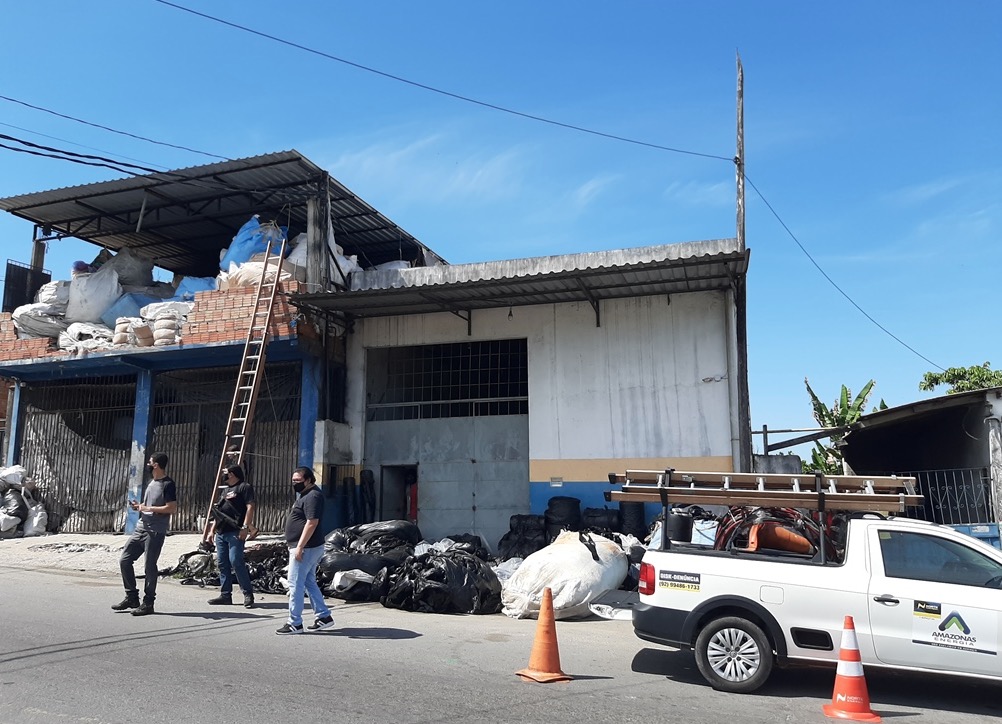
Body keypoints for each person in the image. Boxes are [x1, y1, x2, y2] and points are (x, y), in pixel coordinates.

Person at [112, 452, 177, 616]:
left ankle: (148, 603)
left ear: (155, 465)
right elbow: (149, 505)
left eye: (150, 462)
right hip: (141, 527)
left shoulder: (168, 484)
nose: (148, 464)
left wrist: (148, 509)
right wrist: (139, 506)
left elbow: (171, 508)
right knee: (125, 560)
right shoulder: (152, 483)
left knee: (149, 566)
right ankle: (131, 597)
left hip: (155, 531)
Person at [276, 466, 334, 634]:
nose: (295, 484)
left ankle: (295, 622)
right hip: (306, 547)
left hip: (306, 548)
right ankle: (324, 616)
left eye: (298, 481)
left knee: (295, 584)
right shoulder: (305, 495)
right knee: (309, 582)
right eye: (293, 481)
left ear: (308, 480)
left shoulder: (313, 496)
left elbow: (312, 522)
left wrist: (300, 546)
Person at [202, 463, 256, 608]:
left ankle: (247, 594)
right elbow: (219, 513)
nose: (223, 475)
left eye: (225, 472)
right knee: (222, 563)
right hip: (221, 532)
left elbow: (250, 507)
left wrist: (245, 527)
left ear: (232, 474)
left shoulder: (244, 487)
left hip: (235, 532)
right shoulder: (225, 491)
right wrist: (211, 532)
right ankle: (225, 595)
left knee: (236, 561)